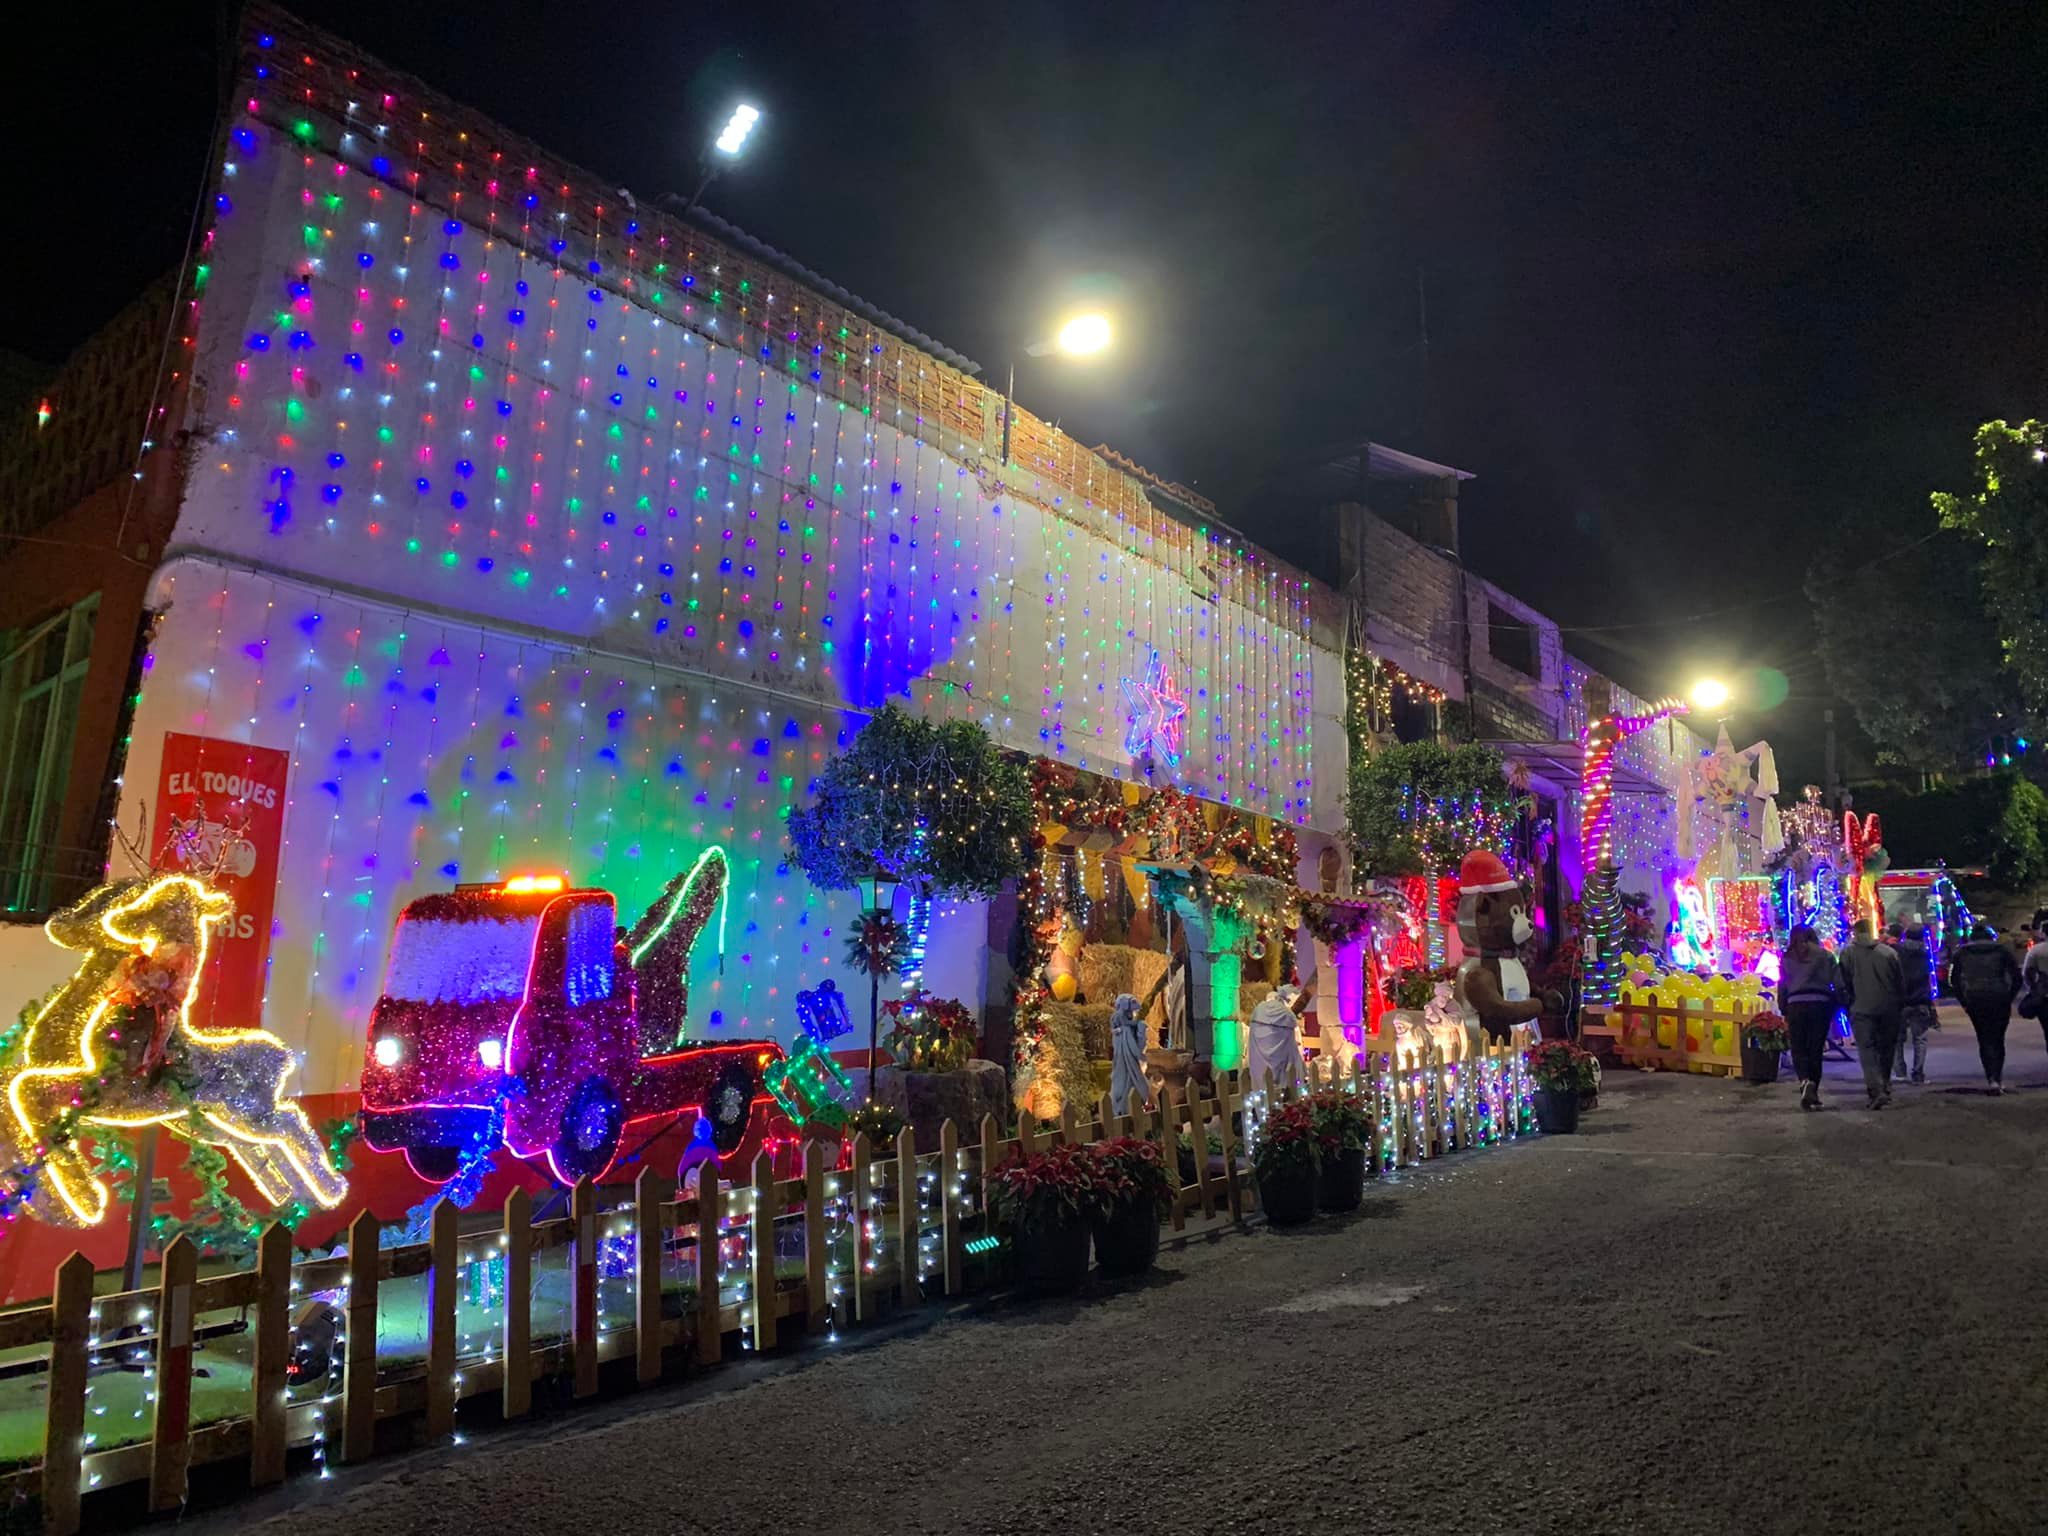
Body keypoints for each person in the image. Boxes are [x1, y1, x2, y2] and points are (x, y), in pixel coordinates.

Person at [1838, 917, 1906, 1108]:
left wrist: (1848, 1003)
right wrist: (1900, 1004)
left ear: (1855, 932)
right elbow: (1899, 983)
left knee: (1867, 1051)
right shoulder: (1888, 953)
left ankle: (1875, 1089)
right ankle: (1885, 1085)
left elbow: (1843, 982)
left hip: (1860, 1008)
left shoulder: (1848, 954)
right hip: (1888, 1008)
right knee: (1886, 1049)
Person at [1950, 920, 2022, 1092]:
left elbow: (1954, 981)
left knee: (1983, 1037)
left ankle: (1990, 1077)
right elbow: (2017, 977)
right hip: (1999, 996)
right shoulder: (2002, 951)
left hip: (1975, 997)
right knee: (1998, 1038)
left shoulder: (1962, 953)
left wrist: (1964, 1001)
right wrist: (2009, 996)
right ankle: (1997, 1077)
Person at [1778, 923, 1840, 1110]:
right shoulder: (1825, 955)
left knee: (1798, 1048)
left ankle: (1805, 1081)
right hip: (1819, 1003)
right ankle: (1813, 1087)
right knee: (1815, 1048)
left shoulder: (1787, 957)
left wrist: (1784, 1007)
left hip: (1795, 1004)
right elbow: (1836, 981)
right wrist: (1836, 1003)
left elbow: (1783, 985)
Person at [1894, 924, 1935, 1085]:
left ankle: (1900, 1072)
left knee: (1897, 1039)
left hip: (1901, 1000)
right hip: (1921, 1000)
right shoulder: (1925, 952)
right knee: (1920, 1038)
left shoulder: (1897, 951)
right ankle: (1918, 1074)